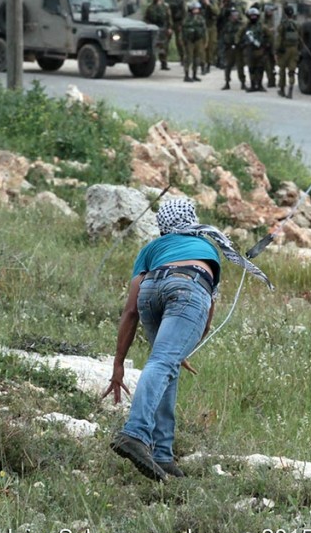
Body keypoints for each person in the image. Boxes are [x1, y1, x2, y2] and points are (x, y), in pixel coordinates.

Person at [103, 197, 271, 481]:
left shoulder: (151, 248)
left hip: (150, 288)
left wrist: (118, 364)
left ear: (162, 224)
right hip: (188, 287)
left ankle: (162, 454)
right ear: (191, 220)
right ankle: (135, 433)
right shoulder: (206, 247)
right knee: (164, 363)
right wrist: (186, 344)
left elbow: (131, 310)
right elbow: (206, 311)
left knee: (165, 366)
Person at [238, 6, 273, 92]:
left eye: (255, 15)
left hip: (260, 50)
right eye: (251, 15)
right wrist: (240, 43)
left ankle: (260, 85)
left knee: (260, 68)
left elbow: (269, 36)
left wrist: (267, 44)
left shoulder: (262, 26)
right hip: (249, 50)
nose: (253, 17)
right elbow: (238, 35)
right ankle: (253, 85)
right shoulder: (245, 27)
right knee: (251, 68)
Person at [143, 0, 172, 71]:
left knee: (164, 46)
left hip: (163, 28)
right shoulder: (150, 7)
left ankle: (164, 63)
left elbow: (168, 18)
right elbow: (146, 18)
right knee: (153, 45)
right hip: (153, 28)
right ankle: (151, 62)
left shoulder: (165, 6)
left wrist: (170, 28)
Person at [276, 5, 301, 99]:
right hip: (294, 50)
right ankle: (290, 90)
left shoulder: (282, 25)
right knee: (292, 71)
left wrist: (276, 50)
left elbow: (279, 38)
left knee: (282, 70)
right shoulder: (297, 24)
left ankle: (282, 90)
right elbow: (300, 38)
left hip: (284, 50)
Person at [219, 7, 246, 91]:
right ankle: (227, 82)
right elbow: (223, 37)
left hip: (239, 48)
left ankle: (243, 83)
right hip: (229, 48)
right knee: (228, 66)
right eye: (233, 15)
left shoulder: (241, 25)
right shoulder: (227, 25)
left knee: (240, 66)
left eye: (236, 15)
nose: (235, 17)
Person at [180, 1, 207, 83]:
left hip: (198, 40)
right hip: (189, 40)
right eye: (194, 9)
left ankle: (194, 75)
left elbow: (204, 30)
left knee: (197, 58)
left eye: (197, 9)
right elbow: (183, 30)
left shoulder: (201, 18)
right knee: (188, 57)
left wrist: (204, 40)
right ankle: (187, 75)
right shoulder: (187, 18)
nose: (196, 10)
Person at [164, 0, 187, 66]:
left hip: (178, 23)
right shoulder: (166, 0)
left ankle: (183, 59)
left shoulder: (180, 0)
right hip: (169, 23)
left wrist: (182, 24)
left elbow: (184, 13)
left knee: (180, 42)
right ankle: (164, 61)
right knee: (165, 42)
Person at [199, 0, 220, 75]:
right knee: (202, 47)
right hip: (202, 27)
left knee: (212, 45)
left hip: (211, 27)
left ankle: (209, 63)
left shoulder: (213, 2)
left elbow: (217, 12)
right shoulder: (199, 3)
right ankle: (202, 64)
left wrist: (209, 5)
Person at [262, 4, 278, 89]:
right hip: (266, 45)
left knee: (273, 64)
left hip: (274, 45)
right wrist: (268, 30)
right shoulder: (263, 20)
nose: (271, 12)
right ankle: (270, 80)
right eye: (270, 11)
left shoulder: (274, 19)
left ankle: (273, 80)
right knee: (267, 64)